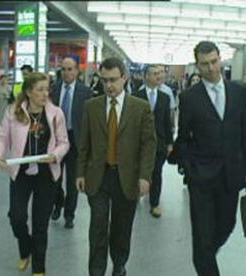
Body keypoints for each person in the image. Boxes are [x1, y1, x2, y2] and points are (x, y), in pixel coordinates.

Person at [175, 41, 246, 276]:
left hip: (231, 174)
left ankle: (205, 256)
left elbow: (244, 135)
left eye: (214, 62)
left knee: (226, 225)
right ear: (198, 66)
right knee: (201, 235)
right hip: (201, 177)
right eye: (204, 64)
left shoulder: (238, 91)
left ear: (220, 59)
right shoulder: (189, 97)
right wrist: (189, 167)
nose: (210, 68)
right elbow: (183, 138)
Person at [76, 57, 156, 276]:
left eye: (113, 80)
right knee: (98, 228)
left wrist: (145, 176)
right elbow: (84, 143)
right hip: (98, 177)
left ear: (124, 78)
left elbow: (149, 145)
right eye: (104, 80)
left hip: (127, 177)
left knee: (122, 228)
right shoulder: (91, 106)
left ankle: (119, 264)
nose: (109, 85)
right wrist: (80, 172)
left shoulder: (140, 108)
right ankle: (96, 271)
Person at [0, 72, 69, 276]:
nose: (45, 94)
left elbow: (64, 143)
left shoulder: (55, 113)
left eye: (47, 89)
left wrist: (54, 155)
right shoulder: (13, 112)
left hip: (46, 174)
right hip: (21, 173)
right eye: (40, 90)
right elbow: (1, 138)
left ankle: (39, 268)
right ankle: (25, 250)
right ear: (28, 92)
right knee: (17, 217)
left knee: (40, 224)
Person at [49, 56, 93, 228]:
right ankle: (57, 203)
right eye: (64, 69)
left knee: (72, 181)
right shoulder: (54, 90)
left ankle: (69, 214)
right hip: (57, 141)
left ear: (76, 71)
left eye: (70, 69)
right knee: (55, 179)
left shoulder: (85, 92)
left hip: (76, 141)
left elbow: (89, 120)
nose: (66, 73)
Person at [132, 64, 173, 218]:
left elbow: (166, 123)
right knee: (138, 171)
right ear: (146, 76)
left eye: (160, 73)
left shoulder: (165, 97)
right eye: (155, 73)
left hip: (159, 143)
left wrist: (170, 143)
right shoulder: (136, 96)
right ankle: (136, 195)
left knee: (157, 173)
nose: (159, 76)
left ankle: (154, 204)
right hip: (139, 143)